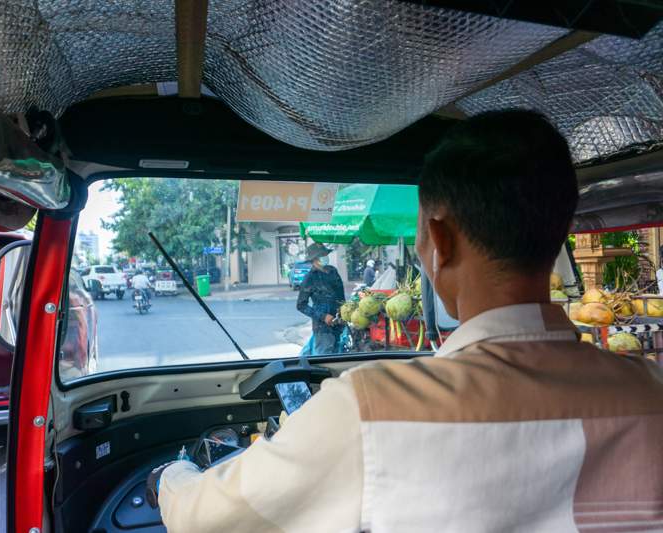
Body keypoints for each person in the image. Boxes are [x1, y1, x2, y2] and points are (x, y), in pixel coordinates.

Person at [147, 110, 663, 532]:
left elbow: (203, 520)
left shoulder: (370, 410)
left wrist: (172, 475)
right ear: (559, 235)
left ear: (439, 241)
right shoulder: (651, 394)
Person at [294, 243, 345, 355]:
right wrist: (323, 316)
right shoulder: (309, 278)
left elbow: (341, 296)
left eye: (325, 254)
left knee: (338, 356)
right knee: (324, 359)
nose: (325, 257)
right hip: (323, 328)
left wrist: (344, 311)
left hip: (339, 324)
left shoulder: (333, 272)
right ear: (314, 260)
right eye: (322, 255)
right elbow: (301, 305)